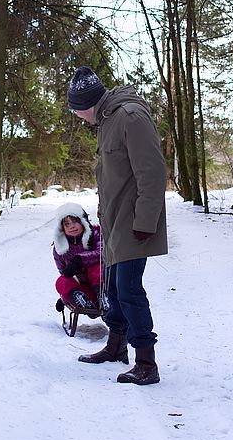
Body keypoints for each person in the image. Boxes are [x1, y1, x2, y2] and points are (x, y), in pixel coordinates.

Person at [67, 66, 168, 386]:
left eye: (76, 111)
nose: (78, 118)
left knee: (129, 290)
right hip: (114, 223)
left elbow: (152, 173)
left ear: (86, 105)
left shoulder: (130, 117)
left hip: (135, 223)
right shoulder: (107, 120)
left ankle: (146, 363)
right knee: (111, 288)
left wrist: (145, 222)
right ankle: (116, 345)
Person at [52, 202, 108, 314]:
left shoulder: (96, 233)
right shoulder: (60, 246)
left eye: (75, 222)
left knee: (96, 268)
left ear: (83, 221)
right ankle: (80, 300)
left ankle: (104, 297)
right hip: (83, 287)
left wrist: (80, 260)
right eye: (67, 224)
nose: (72, 226)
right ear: (62, 228)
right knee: (61, 281)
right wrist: (64, 298)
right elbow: (64, 272)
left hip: (101, 284)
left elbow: (102, 252)